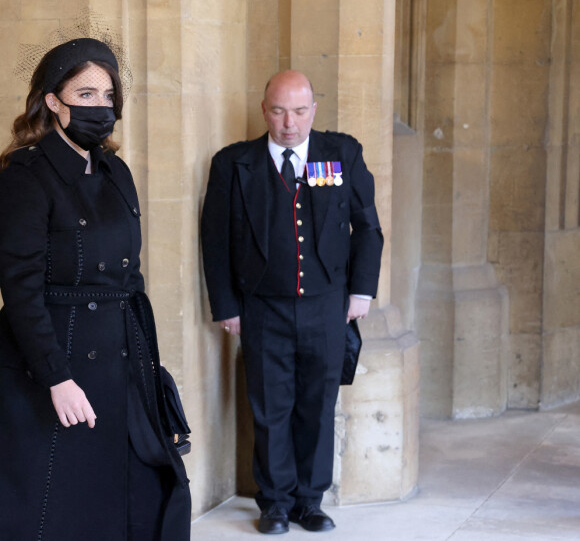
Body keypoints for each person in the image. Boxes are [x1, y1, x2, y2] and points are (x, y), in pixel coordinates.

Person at [0, 34, 191, 540]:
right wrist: (56, 377)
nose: (100, 108)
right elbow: (18, 289)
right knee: (56, 502)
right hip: (54, 365)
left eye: (108, 97)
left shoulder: (116, 171)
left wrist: (150, 367)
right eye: (86, 95)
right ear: (53, 102)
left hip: (119, 357)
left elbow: (133, 279)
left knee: (141, 492)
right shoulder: (25, 176)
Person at [201, 70, 383, 534]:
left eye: (300, 111)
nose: (289, 122)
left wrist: (361, 292)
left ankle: (310, 501)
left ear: (313, 111)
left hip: (328, 306)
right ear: (265, 111)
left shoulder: (341, 155)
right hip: (263, 307)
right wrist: (226, 305)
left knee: (317, 406)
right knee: (269, 407)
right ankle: (276, 504)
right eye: (279, 111)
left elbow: (368, 227)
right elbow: (215, 240)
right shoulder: (233, 164)